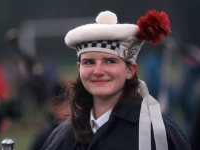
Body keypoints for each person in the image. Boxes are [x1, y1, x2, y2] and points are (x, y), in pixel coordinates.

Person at [41, 10, 191, 150]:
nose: (98, 71)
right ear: (79, 68)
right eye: (89, 62)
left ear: (130, 70)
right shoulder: (60, 137)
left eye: (110, 61)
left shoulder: (159, 133)